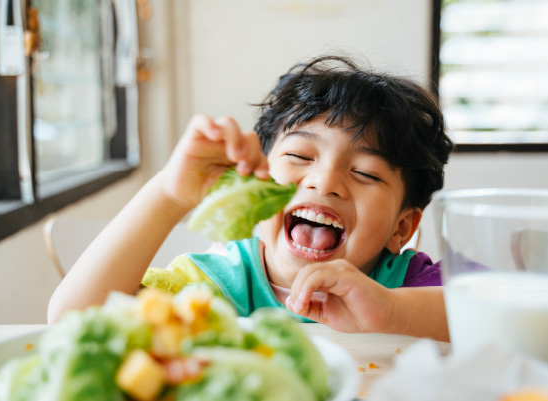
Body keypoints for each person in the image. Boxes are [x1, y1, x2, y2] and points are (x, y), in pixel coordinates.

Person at [48, 55, 454, 341]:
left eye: (365, 173)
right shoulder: (214, 287)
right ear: (257, 176)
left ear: (402, 227)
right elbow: (73, 321)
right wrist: (168, 195)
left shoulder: (408, 286)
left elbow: (499, 317)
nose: (324, 181)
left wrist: (392, 312)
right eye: (299, 156)